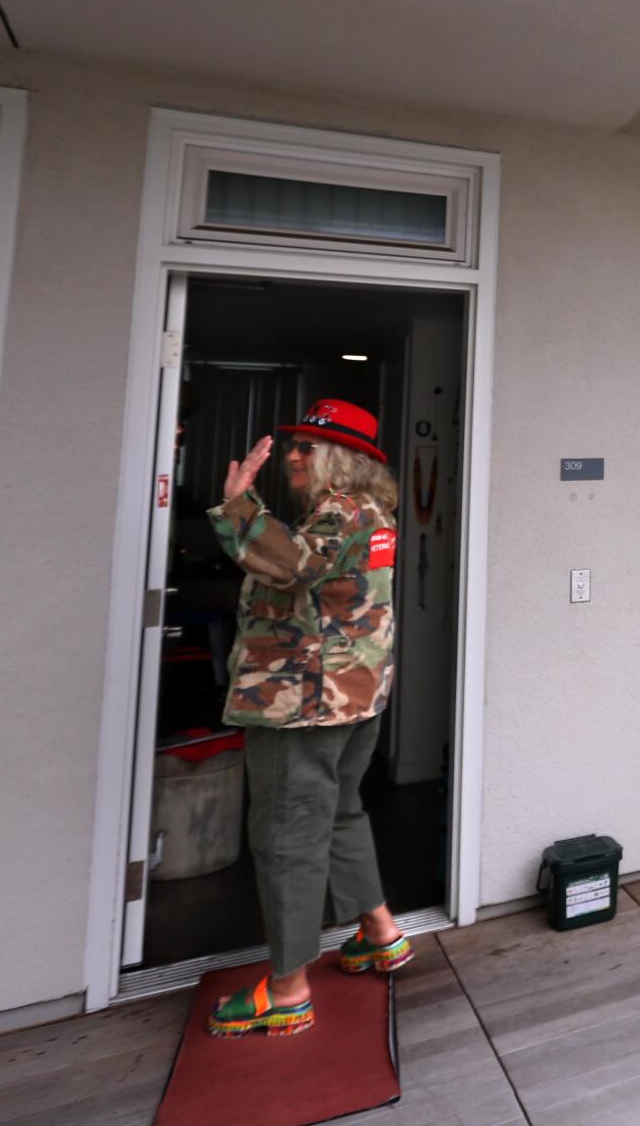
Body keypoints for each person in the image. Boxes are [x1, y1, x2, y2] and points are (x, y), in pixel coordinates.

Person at [203, 398, 412, 1038]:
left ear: (342, 459)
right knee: (342, 812)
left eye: (306, 448)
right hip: (355, 699)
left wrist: (240, 505)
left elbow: (295, 565)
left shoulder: (339, 513)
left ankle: (289, 990)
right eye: (292, 446)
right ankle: (380, 932)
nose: (293, 456)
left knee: (287, 838)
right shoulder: (374, 514)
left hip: (305, 708)